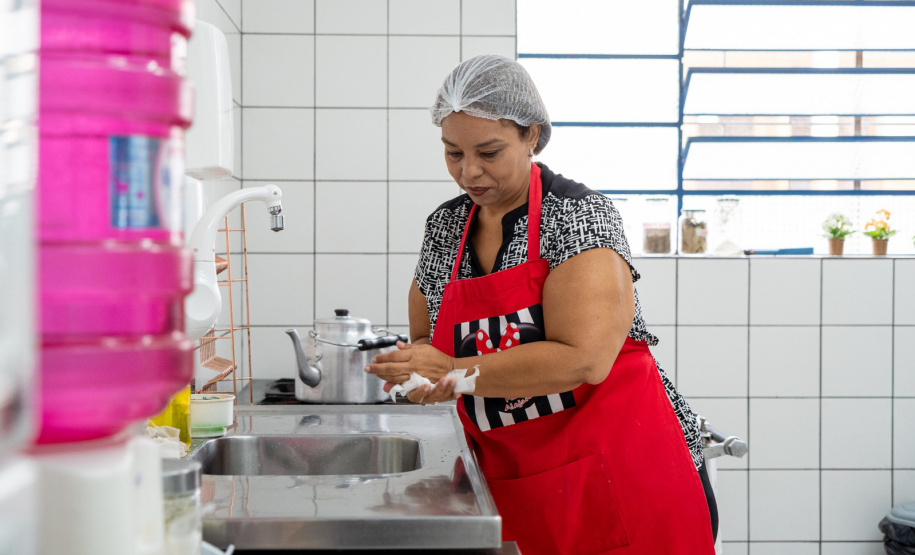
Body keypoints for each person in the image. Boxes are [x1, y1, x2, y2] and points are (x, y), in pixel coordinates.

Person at [365, 55, 717, 555]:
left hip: (624, 471)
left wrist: (454, 371)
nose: (469, 172)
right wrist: (423, 373)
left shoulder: (576, 216)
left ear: (532, 135)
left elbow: (584, 359)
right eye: (452, 153)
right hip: (519, 482)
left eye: (489, 152)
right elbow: (428, 335)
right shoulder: (445, 227)